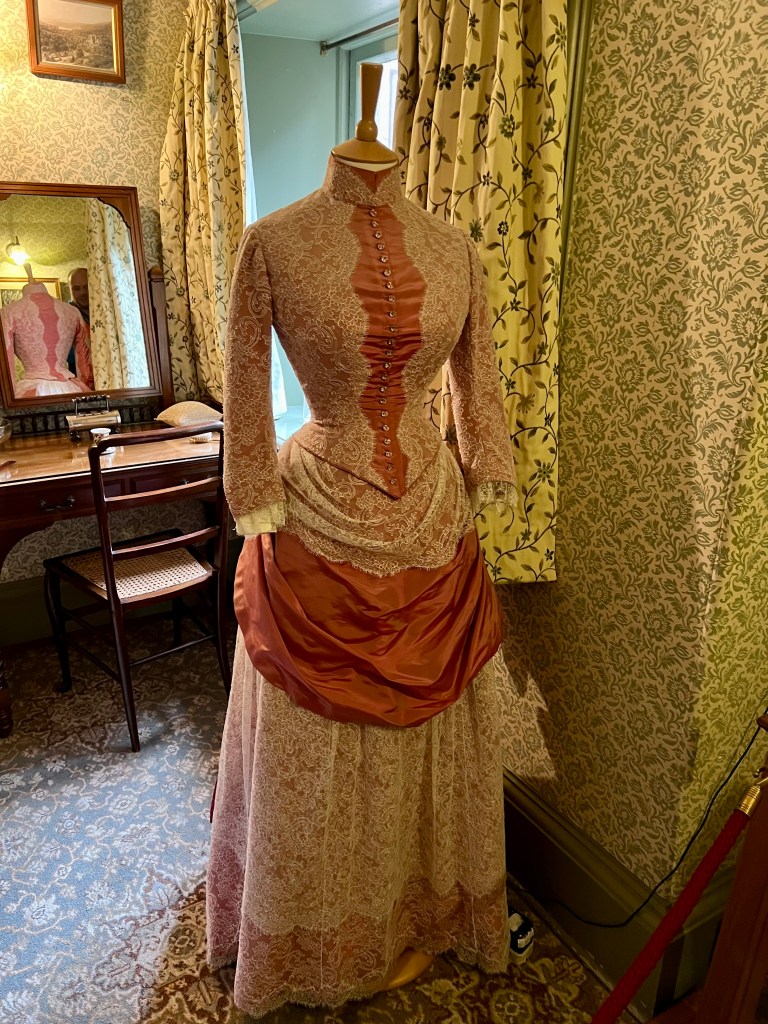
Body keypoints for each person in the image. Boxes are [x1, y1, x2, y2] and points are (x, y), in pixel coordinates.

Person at [1, 266, 93, 397]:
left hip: (30, 391)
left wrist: (7, 399)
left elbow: (5, 364)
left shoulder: (8, 312)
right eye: (76, 288)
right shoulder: (72, 312)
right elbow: (85, 363)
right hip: (71, 388)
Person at [66, 267, 90, 377]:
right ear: (69, 289)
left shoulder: (106, 311)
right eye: (76, 288)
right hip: (79, 377)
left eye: (86, 286)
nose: (83, 292)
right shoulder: (65, 314)